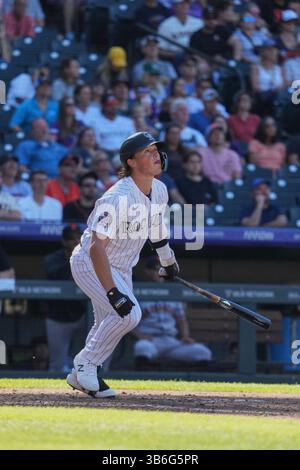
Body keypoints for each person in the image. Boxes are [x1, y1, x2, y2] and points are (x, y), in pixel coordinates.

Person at [67, 131, 180, 397]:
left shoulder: (160, 189)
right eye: (148, 152)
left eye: (156, 150)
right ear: (131, 162)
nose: (156, 156)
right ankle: (86, 363)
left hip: (122, 266)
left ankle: (79, 375)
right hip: (91, 262)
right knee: (128, 313)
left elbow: (156, 230)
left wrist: (168, 260)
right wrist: (112, 292)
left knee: (107, 320)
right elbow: (97, 248)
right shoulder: (117, 197)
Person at [132, 256, 212, 368]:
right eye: (157, 269)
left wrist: (185, 335)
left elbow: (181, 320)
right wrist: (140, 336)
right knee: (142, 348)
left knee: (203, 352)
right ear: (148, 271)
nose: (160, 273)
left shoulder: (173, 293)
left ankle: (195, 384)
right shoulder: (138, 293)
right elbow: (129, 321)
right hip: (151, 340)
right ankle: (143, 381)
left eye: (163, 270)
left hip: (171, 342)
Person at [44, 225, 86, 373]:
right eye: (71, 238)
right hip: (58, 316)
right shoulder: (53, 259)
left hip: (84, 316)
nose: (75, 241)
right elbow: (54, 275)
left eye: (78, 237)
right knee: (57, 365)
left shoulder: (91, 256)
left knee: (94, 359)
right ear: (63, 241)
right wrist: (71, 260)